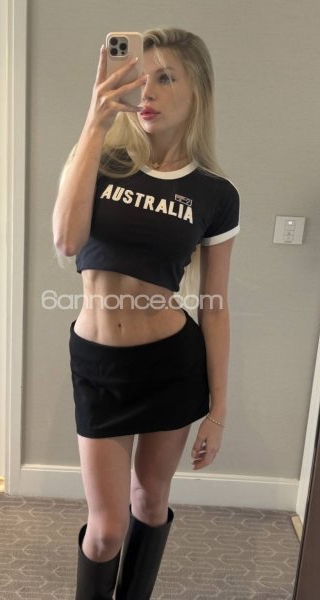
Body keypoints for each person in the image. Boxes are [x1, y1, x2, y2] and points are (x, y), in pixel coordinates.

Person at [52, 27, 240, 600]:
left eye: (165, 77)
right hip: (99, 365)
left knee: (150, 503)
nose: (148, 91)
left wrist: (218, 410)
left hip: (170, 366)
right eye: (141, 77)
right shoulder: (102, 158)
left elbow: (215, 305)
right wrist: (95, 121)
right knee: (106, 530)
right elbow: (66, 241)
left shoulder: (215, 193)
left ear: (197, 89)